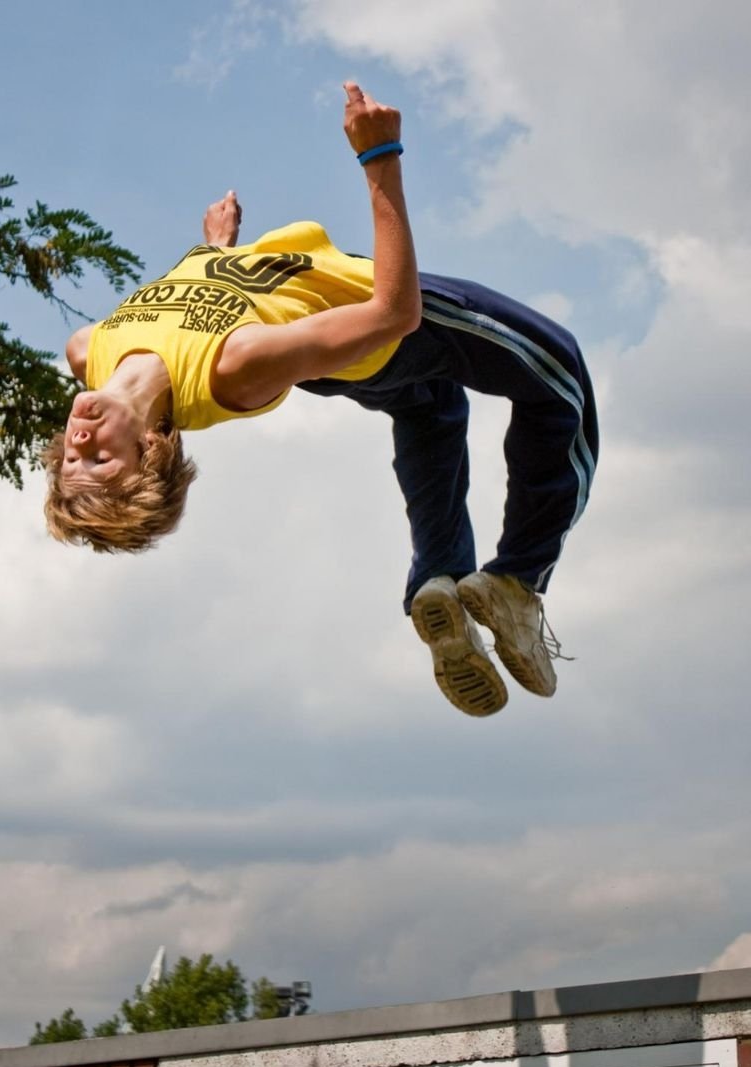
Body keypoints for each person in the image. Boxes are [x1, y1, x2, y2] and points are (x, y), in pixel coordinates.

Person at [44, 82, 598, 719]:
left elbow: (198, 304)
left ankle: (439, 578)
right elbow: (397, 312)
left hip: (332, 353)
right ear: (147, 454)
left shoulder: (91, 350)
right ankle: (518, 582)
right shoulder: (233, 369)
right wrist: (380, 157)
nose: (80, 446)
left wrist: (216, 249)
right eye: (101, 464)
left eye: (71, 463)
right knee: (560, 374)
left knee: (432, 407)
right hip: (372, 319)